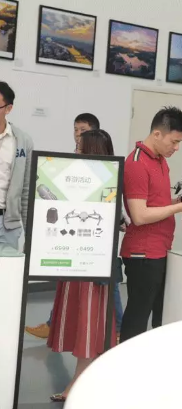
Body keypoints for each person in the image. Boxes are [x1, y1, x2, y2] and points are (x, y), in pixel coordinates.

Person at [26, 113, 120, 340]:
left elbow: (112, 203)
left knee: (107, 289)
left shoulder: (107, 173)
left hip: (95, 248)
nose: (77, 135)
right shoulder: (71, 165)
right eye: (75, 130)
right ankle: (55, 324)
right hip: (73, 244)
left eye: (82, 131)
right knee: (72, 285)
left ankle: (116, 330)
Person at [120, 106, 182, 342]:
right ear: (157, 134)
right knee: (138, 316)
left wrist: (180, 201)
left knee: (160, 314)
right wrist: (180, 208)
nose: (176, 148)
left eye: (179, 143)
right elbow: (139, 215)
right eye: (174, 142)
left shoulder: (160, 161)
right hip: (143, 253)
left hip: (160, 249)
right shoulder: (137, 163)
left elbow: (156, 204)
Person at [47, 129, 117, 403]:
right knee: (87, 324)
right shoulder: (92, 182)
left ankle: (79, 384)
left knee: (89, 325)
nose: (74, 152)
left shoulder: (104, 184)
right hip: (79, 261)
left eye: (79, 148)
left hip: (91, 264)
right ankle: (86, 381)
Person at [0, 82, 32, 249]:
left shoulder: (22, 141)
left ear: (8, 109)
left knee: (7, 266)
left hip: (7, 226)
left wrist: (29, 233)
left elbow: (26, 189)